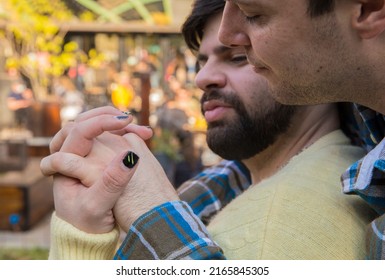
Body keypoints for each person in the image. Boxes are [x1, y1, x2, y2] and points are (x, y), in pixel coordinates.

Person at [41, 0, 376, 259]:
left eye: (238, 58)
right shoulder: (229, 185)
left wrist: (149, 208)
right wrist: (81, 232)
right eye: (201, 61)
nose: (202, 79)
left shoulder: (279, 224)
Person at [217, 0, 385, 259]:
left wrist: (151, 216)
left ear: (367, 8)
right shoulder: (365, 118)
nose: (226, 34)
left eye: (253, 14)